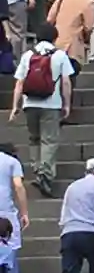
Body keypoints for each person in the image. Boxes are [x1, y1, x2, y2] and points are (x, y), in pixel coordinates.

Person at [9, 38, 72, 196]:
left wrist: (15, 106)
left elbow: (19, 83)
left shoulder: (28, 55)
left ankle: (37, 169)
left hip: (30, 104)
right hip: (51, 104)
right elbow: (66, 82)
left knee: (34, 138)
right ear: (54, 38)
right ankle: (45, 174)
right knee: (49, 140)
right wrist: (66, 104)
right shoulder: (60, 55)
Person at [0, 139, 26, 273]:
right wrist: (24, 212)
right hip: (6, 214)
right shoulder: (12, 162)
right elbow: (18, 186)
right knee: (10, 255)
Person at [50, 0, 94, 72]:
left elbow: (50, 20)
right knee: (71, 74)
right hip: (73, 46)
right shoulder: (89, 2)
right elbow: (88, 27)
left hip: (57, 43)